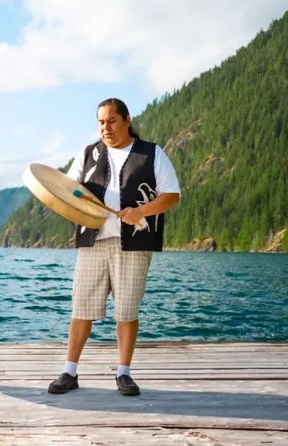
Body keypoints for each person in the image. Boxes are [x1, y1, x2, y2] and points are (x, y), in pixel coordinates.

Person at [48, 98, 180, 396]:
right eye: (100, 122)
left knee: (127, 311)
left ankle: (124, 373)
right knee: (81, 308)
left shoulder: (151, 153)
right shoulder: (87, 154)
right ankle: (69, 371)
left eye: (111, 121)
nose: (105, 128)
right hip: (93, 241)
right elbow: (70, 191)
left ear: (126, 120)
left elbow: (172, 195)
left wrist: (142, 211)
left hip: (133, 243)